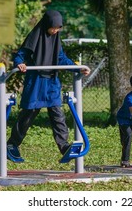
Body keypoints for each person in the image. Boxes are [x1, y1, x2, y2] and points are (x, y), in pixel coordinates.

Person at [6, 10, 90, 163]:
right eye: (54, 27)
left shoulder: (56, 38)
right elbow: (20, 54)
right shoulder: (34, 36)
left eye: (58, 28)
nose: (56, 31)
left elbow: (61, 58)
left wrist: (77, 68)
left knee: (58, 115)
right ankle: (12, 145)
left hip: (51, 82)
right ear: (47, 24)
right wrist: (20, 63)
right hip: (36, 81)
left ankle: (64, 147)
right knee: (28, 115)